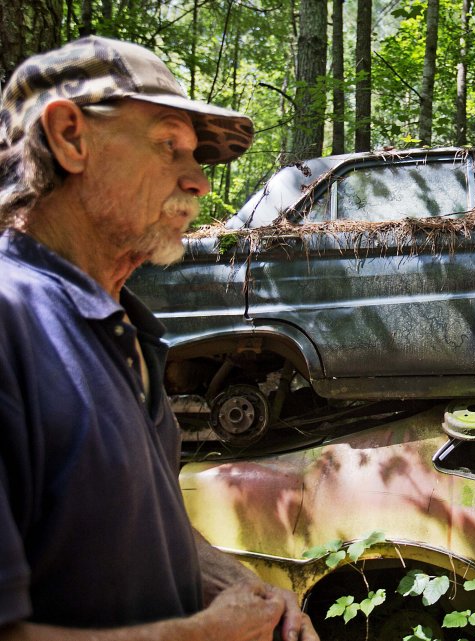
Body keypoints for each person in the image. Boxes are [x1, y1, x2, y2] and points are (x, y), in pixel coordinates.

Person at [0, 36, 318, 641]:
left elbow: (138, 520)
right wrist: (203, 636)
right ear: (70, 137)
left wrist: (241, 589)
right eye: (168, 145)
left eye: (195, 155)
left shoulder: (124, 331)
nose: (199, 181)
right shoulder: (10, 321)